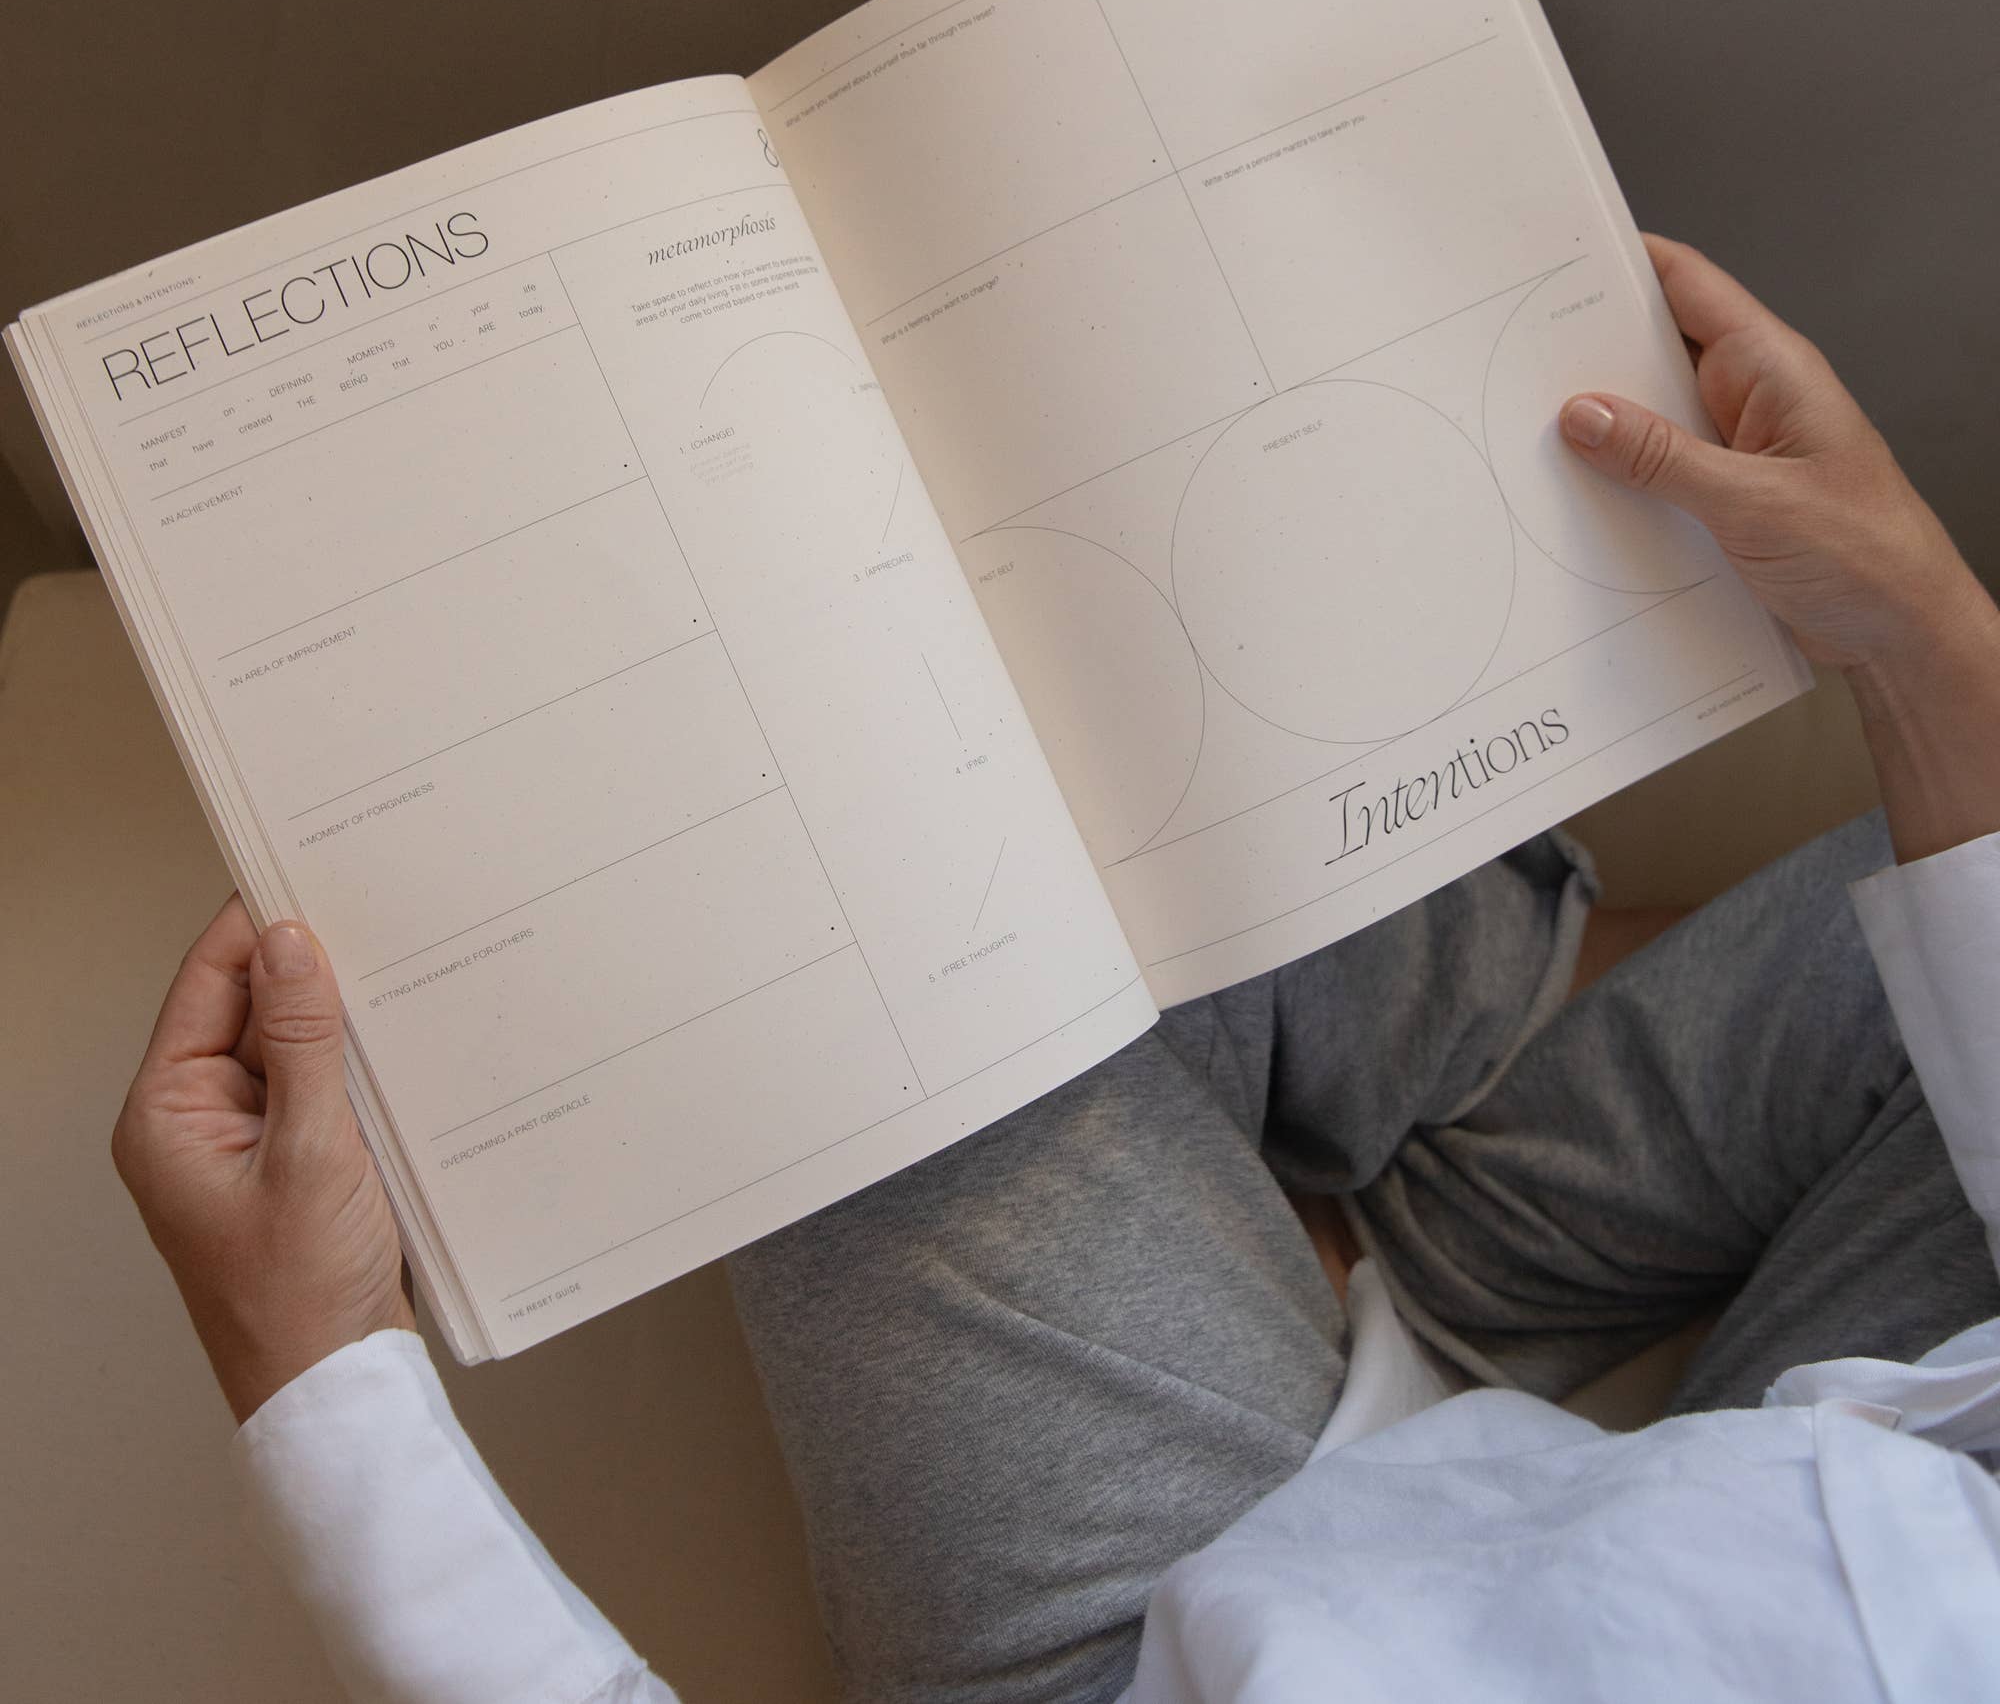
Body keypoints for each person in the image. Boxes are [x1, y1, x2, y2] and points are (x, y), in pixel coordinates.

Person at [112, 238, 2000, 1704]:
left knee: (865, 908)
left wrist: (317, 1378)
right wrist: (1926, 632)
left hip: (1183, 1635)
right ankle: (1442, 1186)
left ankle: (1383, 1151)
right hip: (1864, 1454)